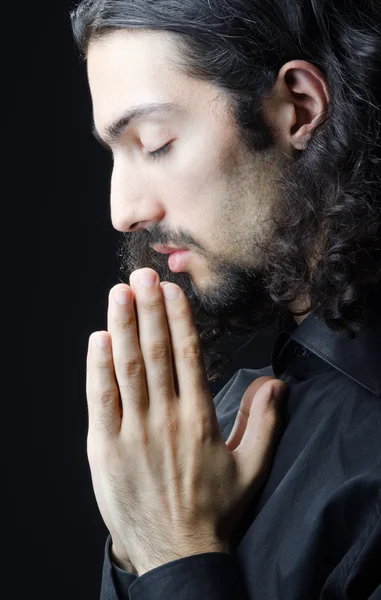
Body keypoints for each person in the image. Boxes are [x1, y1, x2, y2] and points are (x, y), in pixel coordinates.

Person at [69, 0, 381, 598]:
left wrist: (173, 552)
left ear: (298, 107)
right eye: (114, 153)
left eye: (155, 142)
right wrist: (136, 548)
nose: (123, 211)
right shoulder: (205, 447)